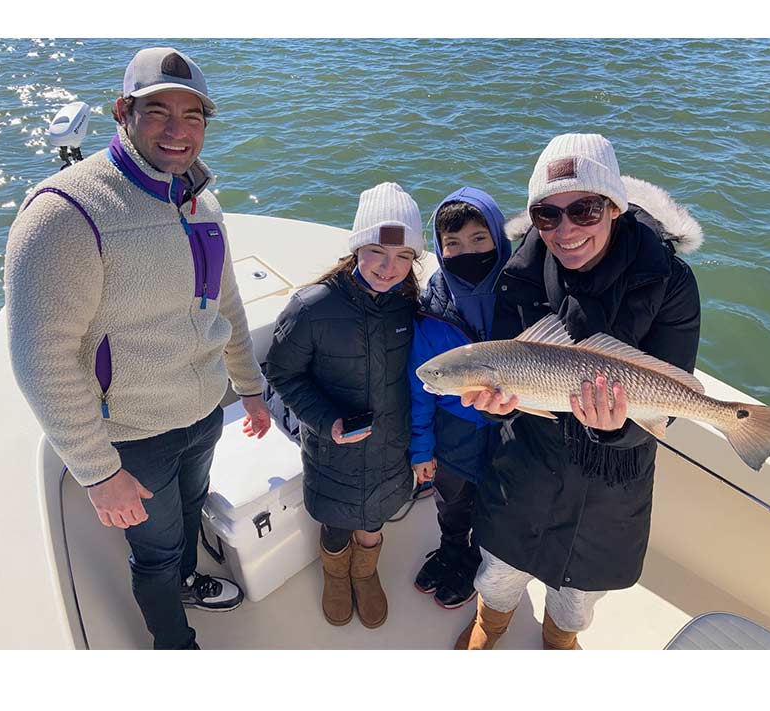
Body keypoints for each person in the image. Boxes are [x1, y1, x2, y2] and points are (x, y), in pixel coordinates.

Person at [5, 47, 271, 650]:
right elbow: (39, 359)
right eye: (158, 111)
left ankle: (184, 579)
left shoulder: (202, 202)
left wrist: (249, 388)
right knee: (154, 549)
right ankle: (173, 644)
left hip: (204, 412)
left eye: (193, 115)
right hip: (131, 433)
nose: (178, 131)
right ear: (123, 111)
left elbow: (224, 304)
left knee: (191, 506)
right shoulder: (63, 214)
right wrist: (99, 473)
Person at [455, 133, 702, 649]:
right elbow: (508, 373)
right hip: (525, 462)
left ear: (614, 206)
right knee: (499, 570)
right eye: (547, 215)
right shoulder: (517, 273)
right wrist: (499, 409)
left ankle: (560, 642)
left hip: (613, 478)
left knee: (577, 594)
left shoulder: (669, 281)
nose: (565, 230)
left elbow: (672, 403)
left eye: (584, 210)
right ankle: (491, 623)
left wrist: (616, 433)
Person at [264, 182, 423, 629]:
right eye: (376, 251)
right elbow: (282, 374)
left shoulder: (410, 306)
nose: (389, 268)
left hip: (393, 447)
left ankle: (365, 573)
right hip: (332, 450)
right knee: (335, 522)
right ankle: (337, 574)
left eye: (404, 257)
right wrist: (326, 421)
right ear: (356, 249)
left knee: (376, 518)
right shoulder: (311, 308)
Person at [409, 187, 511, 608]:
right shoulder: (430, 311)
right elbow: (420, 389)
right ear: (438, 248)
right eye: (452, 244)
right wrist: (421, 450)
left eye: (479, 239)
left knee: (496, 508)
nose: (466, 251)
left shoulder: (523, 297)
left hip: (513, 432)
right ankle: (453, 550)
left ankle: (479, 564)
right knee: (452, 504)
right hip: (453, 434)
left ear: (500, 241)